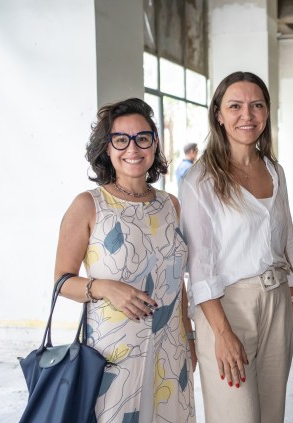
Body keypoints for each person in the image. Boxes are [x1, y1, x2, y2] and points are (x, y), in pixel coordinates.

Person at [54, 98, 196, 422]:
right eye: (121, 139)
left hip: (170, 348)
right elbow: (62, 281)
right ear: (107, 147)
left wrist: (189, 338)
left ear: (154, 143)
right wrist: (105, 287)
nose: (133, 148)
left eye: (142, 138)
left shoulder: (170, 204)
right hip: (113, 356)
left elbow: (176, 279)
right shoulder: (88, 205)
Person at [180, 71, 293, 423]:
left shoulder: (275, 171)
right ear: (218, 114)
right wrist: (222, 332)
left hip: (277, 302)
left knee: (271, 414)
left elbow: (286, 240)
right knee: (237, 416)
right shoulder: (201, 179)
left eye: (256, 105)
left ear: (266, 113)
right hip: (226, 307)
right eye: (235, 106)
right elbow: (199, 264)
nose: (246, 115)